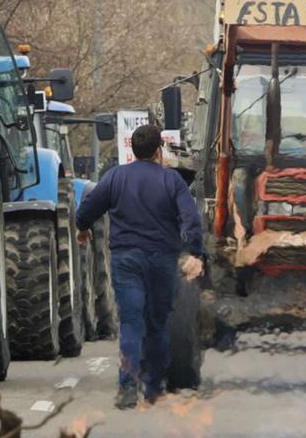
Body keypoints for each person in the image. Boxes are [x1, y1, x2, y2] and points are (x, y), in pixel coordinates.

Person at [75, 124, 203, 410]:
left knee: (132, 324)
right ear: (159, 150)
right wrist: (195, 251)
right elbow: (190, 219)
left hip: (127, 260)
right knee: (157, 325)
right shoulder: (172, 181)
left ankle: (127, 388)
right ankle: (153, 387)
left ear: (132, 150)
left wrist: (82, 228)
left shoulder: (115, 177)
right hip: (162, 261)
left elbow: (88, 208)